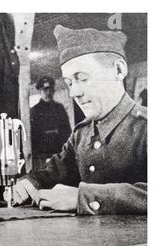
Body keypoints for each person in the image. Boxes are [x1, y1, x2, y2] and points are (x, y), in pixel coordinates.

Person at [12, 25, 147, 215]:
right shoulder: (81, 135)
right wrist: (30, 182)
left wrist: (83, 197)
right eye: (69, 83)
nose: (74, 92)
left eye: (82, 78)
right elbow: (54, 172)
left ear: (118, 70)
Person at [30, 76, 72, 169]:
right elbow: (34, 136)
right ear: (40, 91)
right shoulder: (34, 111)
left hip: (60, 153)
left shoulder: (59, 108)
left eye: (51, 90)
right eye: (45, 90)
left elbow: (67, 130)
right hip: (42, 155)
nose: (49, 93)